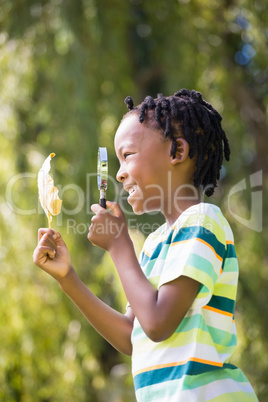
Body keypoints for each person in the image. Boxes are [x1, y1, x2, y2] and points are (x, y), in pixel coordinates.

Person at [33, 89, 259, 401]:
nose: (119, 173)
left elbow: (157, 323)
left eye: (127, 156)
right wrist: (68, 279)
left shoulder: (203, 222)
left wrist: (119, 245)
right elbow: (133, 336)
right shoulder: (155, 244)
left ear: (176, 151)